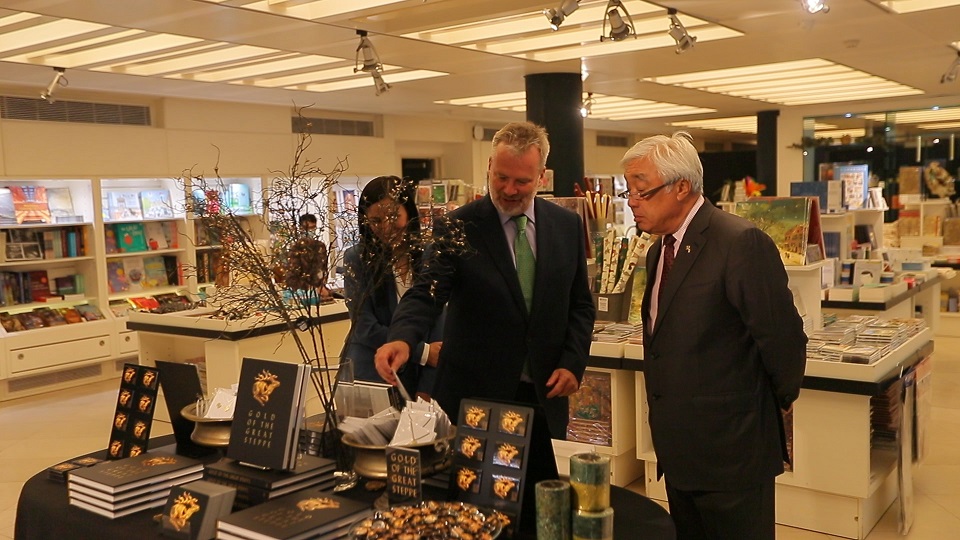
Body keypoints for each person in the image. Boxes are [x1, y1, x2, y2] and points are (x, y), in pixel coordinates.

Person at [621, 132, 807, 540]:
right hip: (679, 450)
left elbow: (783, 339)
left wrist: (771, 403)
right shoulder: (658, 250)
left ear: (681, 187)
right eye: (628, 191)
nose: (632, 201)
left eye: (641, 190)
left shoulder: (739, 242)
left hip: (732, 451)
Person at [374, 121, 595, 439]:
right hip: (476, 395)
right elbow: (426, 292)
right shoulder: (458, 226)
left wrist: (573, 362)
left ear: (541, 177)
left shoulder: (567, 226)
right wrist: (402, 338)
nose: (509, 190)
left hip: (545, 393)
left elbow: (580, 305)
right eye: (501, 177)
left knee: (544, 472)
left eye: (522, 181)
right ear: (490, 166)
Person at [343, 176, 442, 396]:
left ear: (409, 213)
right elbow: (363, 327)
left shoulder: (430, 255)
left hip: (422, 376)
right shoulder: (357, 258)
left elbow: (437, 323)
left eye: (393, 216)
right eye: (376, 221)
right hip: (371, 374)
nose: (386, 227)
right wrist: (421, 352)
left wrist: (428, 386)